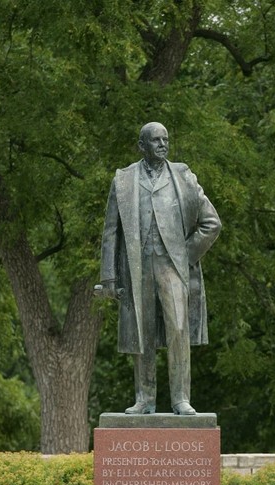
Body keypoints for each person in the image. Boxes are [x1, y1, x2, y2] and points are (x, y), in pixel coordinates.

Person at [98, 122, 221, 415]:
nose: (163, 145)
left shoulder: (184, 177)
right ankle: (145, 399)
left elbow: (212, 223)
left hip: (173, 267)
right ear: (142, 146)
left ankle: (181, 399)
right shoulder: (125, 180)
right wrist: (109, 277)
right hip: (137, 268)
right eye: (156, 141)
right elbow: (110, 231)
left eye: (165, 139)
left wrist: (185, 254)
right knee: (143, 333)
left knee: (178, 329)